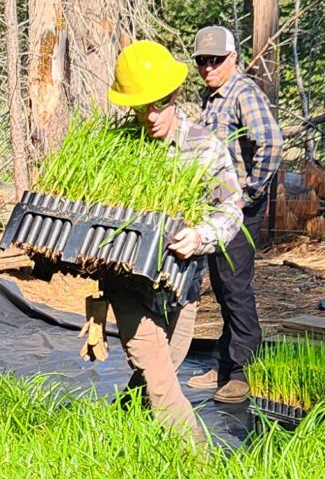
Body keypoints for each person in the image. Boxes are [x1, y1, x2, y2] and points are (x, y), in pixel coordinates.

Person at [97, 39, 244, 442]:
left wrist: (201, 236)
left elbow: (231, 208)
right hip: (127, 282)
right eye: (140, 106)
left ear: (175, 95)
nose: (150, 116)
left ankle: (114, 433)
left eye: (158, 103)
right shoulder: (113, 149)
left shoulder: (204, 147)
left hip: (182, 283)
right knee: (160, 377)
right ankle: (198, 463)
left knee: (161, 371)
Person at [189, 25, 279, 404]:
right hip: (216, 210)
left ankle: (242, 370)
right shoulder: (211, 98)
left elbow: (271, 142)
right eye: (202, 61)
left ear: (233, 58)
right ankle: (226, 363)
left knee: (235, 286)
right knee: (223, 286)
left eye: (216, 60)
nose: (209, 67)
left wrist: (249, 193)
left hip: (238, 209)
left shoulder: (243, 93)